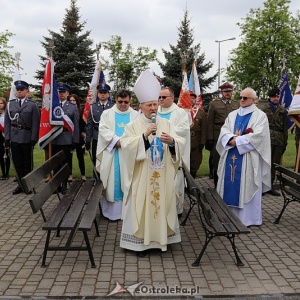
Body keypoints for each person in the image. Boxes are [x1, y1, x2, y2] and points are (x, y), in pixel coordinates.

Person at [119, 70, 185, 255]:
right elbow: (126, 147)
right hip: (142, 175)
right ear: (141, 106)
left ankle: (160, 240)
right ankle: (139, 243)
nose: (154, 108)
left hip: (161, 174)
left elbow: (179, 143)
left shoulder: (167, 123)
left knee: (160, 202)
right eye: (149, 105)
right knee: (142, 204)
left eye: (155, 104)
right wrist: (144, 137)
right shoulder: (133, 125)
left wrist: (172, 142)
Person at [216, 87, 271, 227]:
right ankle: (228, 216)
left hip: (248, 158)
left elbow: (260, 136)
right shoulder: (233, 115)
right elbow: (224, 130)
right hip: (231, 154)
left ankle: (248, 219)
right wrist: (230, 139)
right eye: (240, 97)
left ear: (254, 100)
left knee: (247, 185)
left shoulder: (260, 116)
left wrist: (237, 141)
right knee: (229, 184)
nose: (241, 100)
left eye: (245, 98)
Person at [96, 89, 139, 220]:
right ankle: (112, 213)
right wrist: (116, 141)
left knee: (130, 180)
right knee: (112, 183)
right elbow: (103, 129)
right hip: (112, 153)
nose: (123, 104)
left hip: (130, 155)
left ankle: (129, 213)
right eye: (120, 102)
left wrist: (126, 143)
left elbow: (139, 132)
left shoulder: (136, 115)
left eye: (126, 102)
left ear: (130, 101)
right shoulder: (107, 114)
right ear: (116, 100)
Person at [157, 87, 190, 215]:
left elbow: (183, 131)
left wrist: (166, 134)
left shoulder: (180, 113)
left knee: (175, 183)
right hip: (157, 154)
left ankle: (176, 211)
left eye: (163, 97)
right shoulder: (155, 111)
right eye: (159, 97)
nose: (160, 99)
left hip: (173, 154)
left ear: (172, 98)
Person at [4, 80, 40, 194]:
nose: (19, 92)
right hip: (14, 137)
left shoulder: (32, 105)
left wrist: (34, 138)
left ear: (26, 91)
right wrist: (7, 138)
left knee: (27, 163)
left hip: (27, 137)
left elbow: (35, 123)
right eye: (17, 90)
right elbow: (7, 123)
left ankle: (28, 185)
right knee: (17, 162)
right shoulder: (10, 104)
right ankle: (20, 184)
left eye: (21, 90)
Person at [206, 82, 239, 187]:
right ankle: (217, 182)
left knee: (230, 158)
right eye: (225, 92)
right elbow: (209, 122)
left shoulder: (236, 104)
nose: (228, 93)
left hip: (231, 135)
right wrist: (210, 138)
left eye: (229, 91)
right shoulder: (214, 104)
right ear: (221, 92)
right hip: (218, 135)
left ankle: (229, 182)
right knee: (217, 158)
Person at [51, 83, 79, 194]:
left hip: (67, 139)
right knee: (55, 163)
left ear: (67, 94)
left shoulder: (72, 107)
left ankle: (64, 185)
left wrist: (75, 141)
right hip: (54, 138)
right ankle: (56, 185)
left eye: (63, 92)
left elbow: (76, 125)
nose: (61, 94)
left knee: (66, 163)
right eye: (59, 92)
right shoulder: (53, 107)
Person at [261, 87, 288, 196]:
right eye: (274, 96)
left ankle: (270, 186)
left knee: (274, 163)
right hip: (266, 139)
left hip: (278, 140)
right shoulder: (263, 109)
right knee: (264, 163)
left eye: (277, 96)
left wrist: (285, 142)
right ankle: (262, 186)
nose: (276, 98)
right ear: (270, 97)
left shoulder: (282, 110)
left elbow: (285, 128)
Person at [85, 82, 114, 178]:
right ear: (98, 94)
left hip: (110, 137)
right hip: (97, 136)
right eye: (101, 92)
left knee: (108, 158)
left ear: (108, 94)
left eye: (105, 92)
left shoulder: (113, 107)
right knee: (96, 157)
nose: (103, 94)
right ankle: (96, 177)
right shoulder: (93, 107)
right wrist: (88, 140)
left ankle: (108, 177)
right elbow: (89, 125)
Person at [68, 94, 86, 181]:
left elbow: (82, 124)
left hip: (79, 137)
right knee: (69, 157)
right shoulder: (67, 111)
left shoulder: (81, 112)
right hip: (69, 137)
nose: (72, 102)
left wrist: (77, 133)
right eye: (70, 101)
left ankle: (83, 175)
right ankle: (70, 175)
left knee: (80, 157)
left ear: (77, 102)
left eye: (74, 100)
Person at [189, 91, 207, 178]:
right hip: (184, 141)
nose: (191, 100)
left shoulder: (200, 112)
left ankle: (192, 181)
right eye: (189, 98)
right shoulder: (181, 111)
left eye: (193, 98)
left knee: (195, 162)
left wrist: (202, 142)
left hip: (195, 141)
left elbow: (204, 128)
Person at [0, 97, 10, 180]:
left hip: (6, 136)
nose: (0, 105)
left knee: (7, 155)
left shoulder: (8, 114)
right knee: (1, 156)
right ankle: (3, 173)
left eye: (1, 103)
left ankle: (7, 173)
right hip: (0, 137)